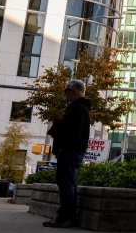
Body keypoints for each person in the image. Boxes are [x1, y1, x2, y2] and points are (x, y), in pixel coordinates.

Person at [43, 79, 91, 228]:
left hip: (70, 151)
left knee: (66, 183)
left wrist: (63, 147)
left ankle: (65, 217)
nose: (65, 94)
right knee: (69, 183)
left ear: (75, 92)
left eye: (67, 91)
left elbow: (73, 132)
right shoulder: (80, 108)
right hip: (72, 151)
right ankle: (68, 217)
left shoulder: (78, 109)